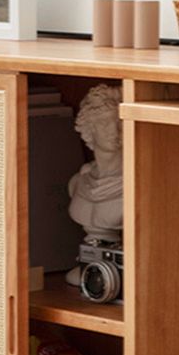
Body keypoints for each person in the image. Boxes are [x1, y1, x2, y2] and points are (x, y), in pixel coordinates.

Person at [65, 84, 123, 285]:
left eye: (119, 122)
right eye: (104, 123)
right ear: (89, 127)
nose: (113, 130)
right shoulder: (78, 181)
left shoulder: (134, 185)